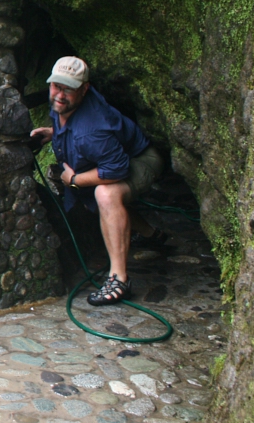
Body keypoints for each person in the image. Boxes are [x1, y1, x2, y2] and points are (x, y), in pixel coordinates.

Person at [30, 56, 166, 305]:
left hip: (140, 159)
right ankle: (150, 234)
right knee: (103, 196)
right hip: (111, 154)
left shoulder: (93, 130)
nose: (60, 94)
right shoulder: (64, 104)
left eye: (68, 89)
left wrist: (75, 180)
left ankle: (119, 279)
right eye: (56, 86)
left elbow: (116, 170)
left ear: (85, 89)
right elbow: (69, 124)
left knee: (106, 194)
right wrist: (53, 133)